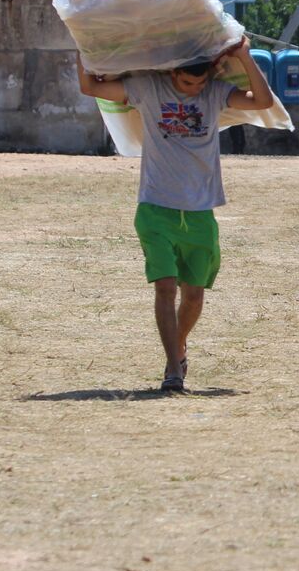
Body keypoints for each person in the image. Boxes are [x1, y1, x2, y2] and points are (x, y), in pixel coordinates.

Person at [75, 39, 275, 392]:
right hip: (155, 208)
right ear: (172, 71)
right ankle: (173, 368)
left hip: (200, 212)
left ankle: (178, 346)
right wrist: (86, 48)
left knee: (194, 296)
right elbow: (90, 86)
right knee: (165, 288)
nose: (195, 89)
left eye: (200, 83)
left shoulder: (214, 93)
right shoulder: (147, 89)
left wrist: (243, 55)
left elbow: (262, 102)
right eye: (187, 83)